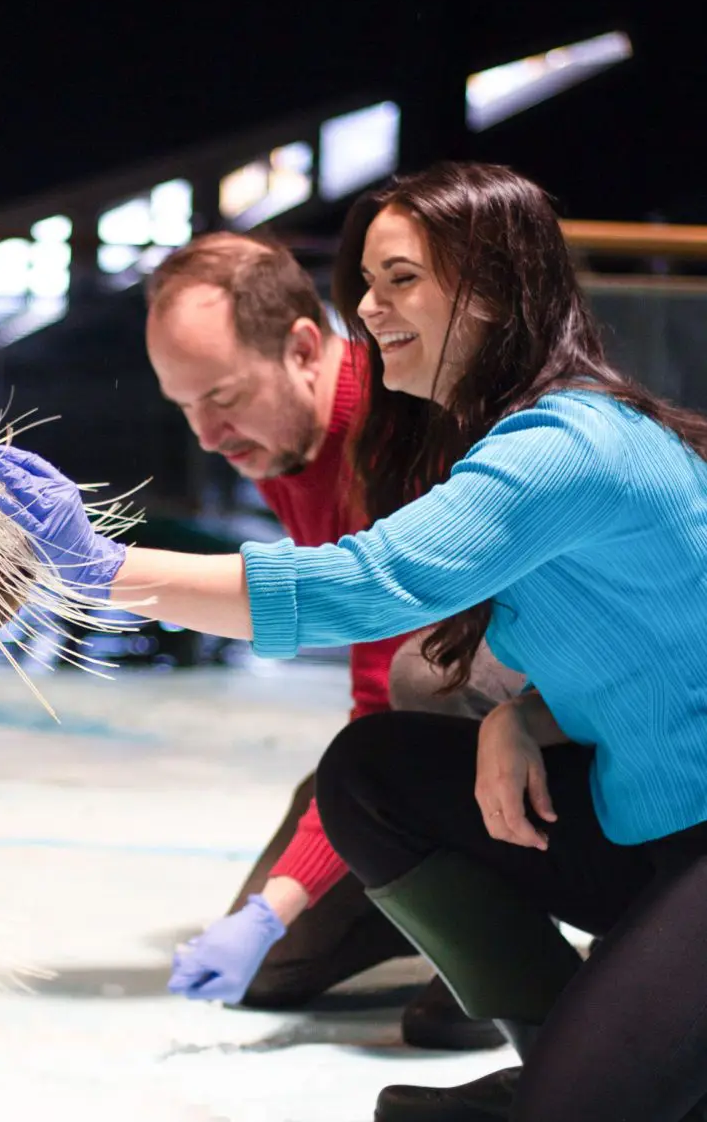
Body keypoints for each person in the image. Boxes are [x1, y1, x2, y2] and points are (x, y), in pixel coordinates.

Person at [0, 160, 707, 1122]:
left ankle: (605, 1099)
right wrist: (520, 712)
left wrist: (103, 571)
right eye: (365, 278)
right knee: (374, 773)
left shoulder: (567, 444)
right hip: (650, 816)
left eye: (400, 279)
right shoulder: (491, 437)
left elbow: (362, 589)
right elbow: (650, 639)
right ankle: (564, 1054)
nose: (366, 307)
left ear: (494, 287)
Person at [141, 232, 515, 1046]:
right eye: (185, 406)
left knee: (425, 679)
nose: (206, 433)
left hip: (527, 721)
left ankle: (507, 917)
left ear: (305, 347)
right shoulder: (283, 442)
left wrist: (278, 902)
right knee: (272, 975)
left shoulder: (405, 429)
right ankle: (422, 899)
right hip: (420, 727)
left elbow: (395, 699)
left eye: (225, 396)